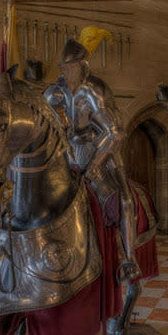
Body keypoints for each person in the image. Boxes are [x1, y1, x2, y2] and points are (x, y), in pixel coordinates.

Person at [43, 27, 141, 282]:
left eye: (70, 66)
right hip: (64, 152)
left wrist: (94, 165)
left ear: (81, 65)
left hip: (98, 150)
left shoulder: (95, 90)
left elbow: (115, 132)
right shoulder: (55, 91)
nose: (65, 71)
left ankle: (129, 260)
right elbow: (42, 117)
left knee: (123, 201)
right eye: (63, 66)